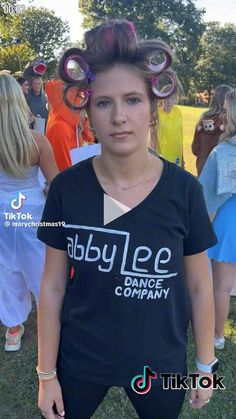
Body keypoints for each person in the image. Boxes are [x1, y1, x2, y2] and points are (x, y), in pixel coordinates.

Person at [37, 20, 217, 419]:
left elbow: (201, 286)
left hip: (160, 362)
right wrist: (45, 374)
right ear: (87, 110)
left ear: (153, 107)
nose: (119, 116)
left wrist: (205, 366)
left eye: (133, 99)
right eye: (104, 102)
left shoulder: (185, 191)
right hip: (81, 357)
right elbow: (51, 286)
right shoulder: (66, 189)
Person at [0, 74, 58, 352]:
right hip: (32, 212)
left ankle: (12, 328)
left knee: (5, 269)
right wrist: (46, 189)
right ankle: (51, 320)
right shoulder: (36, 140)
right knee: (40, 267)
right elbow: (56, 185)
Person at [199, 89, 236, 350]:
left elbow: (205, 196)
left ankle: (217, 335)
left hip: (228, 220)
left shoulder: (223, 151)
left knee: (221, 286)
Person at [45, 79, 94, 172]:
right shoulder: (60, 128)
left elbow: (89, 140)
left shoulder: (70, 123)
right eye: (77, 98)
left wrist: (84, 123)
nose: (81, 103)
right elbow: (64, 168)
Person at [191, 84, 233, 175]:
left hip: (202, 170)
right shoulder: (228, 122)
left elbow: (194, 149)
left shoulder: (202, 119)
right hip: (221, 173)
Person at [152, 88, 184, 167]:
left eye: (172, 98)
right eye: (166, 98)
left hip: (176, 154)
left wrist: (182, 159)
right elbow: (153, 136)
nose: (169, 101)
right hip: (161, 155)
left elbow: (180, 135)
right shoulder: (156, 113)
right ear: (162, 98)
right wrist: (153, 155)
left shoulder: (178, 112)